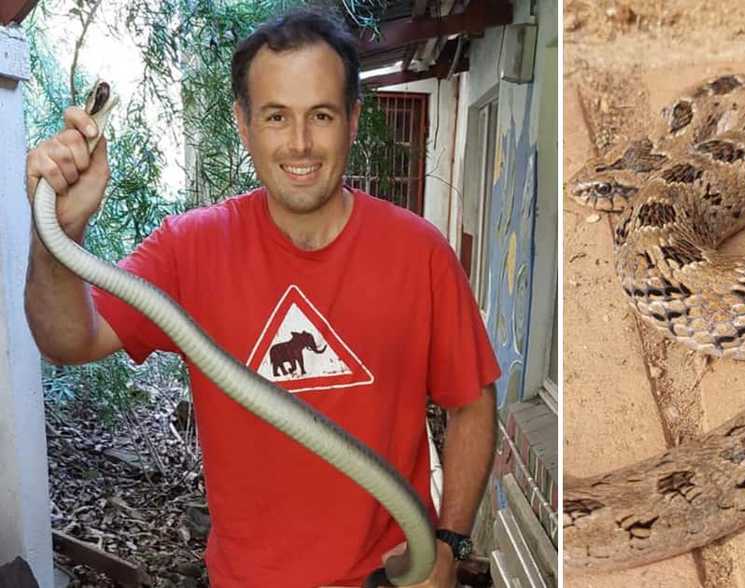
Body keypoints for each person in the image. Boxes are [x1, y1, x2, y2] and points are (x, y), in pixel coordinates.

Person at [24, 7, 499, 587]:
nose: (300, 144)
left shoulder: (419, 253)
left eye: (320, 115)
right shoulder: (190, 249)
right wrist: (58, 233)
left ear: (352, 120)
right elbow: (67, 341)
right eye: (276, 117)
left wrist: (446, 544)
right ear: (243, 124)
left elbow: (471, 403)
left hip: (388, 577)